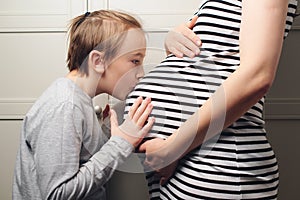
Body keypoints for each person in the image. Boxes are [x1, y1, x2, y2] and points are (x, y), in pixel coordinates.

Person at [124, 0, 299, 199]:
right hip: (191, 161)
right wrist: (174, 43)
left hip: (219, 161)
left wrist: (171, 149)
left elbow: (257, 76)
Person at [12, 10, 155, 200]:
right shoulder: (64, 106)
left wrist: (108, 134)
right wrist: (121, 143)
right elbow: (57, 194)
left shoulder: (79, 101)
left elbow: (83, 162)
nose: (141, 73)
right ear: (98, 61)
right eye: (135, 61)